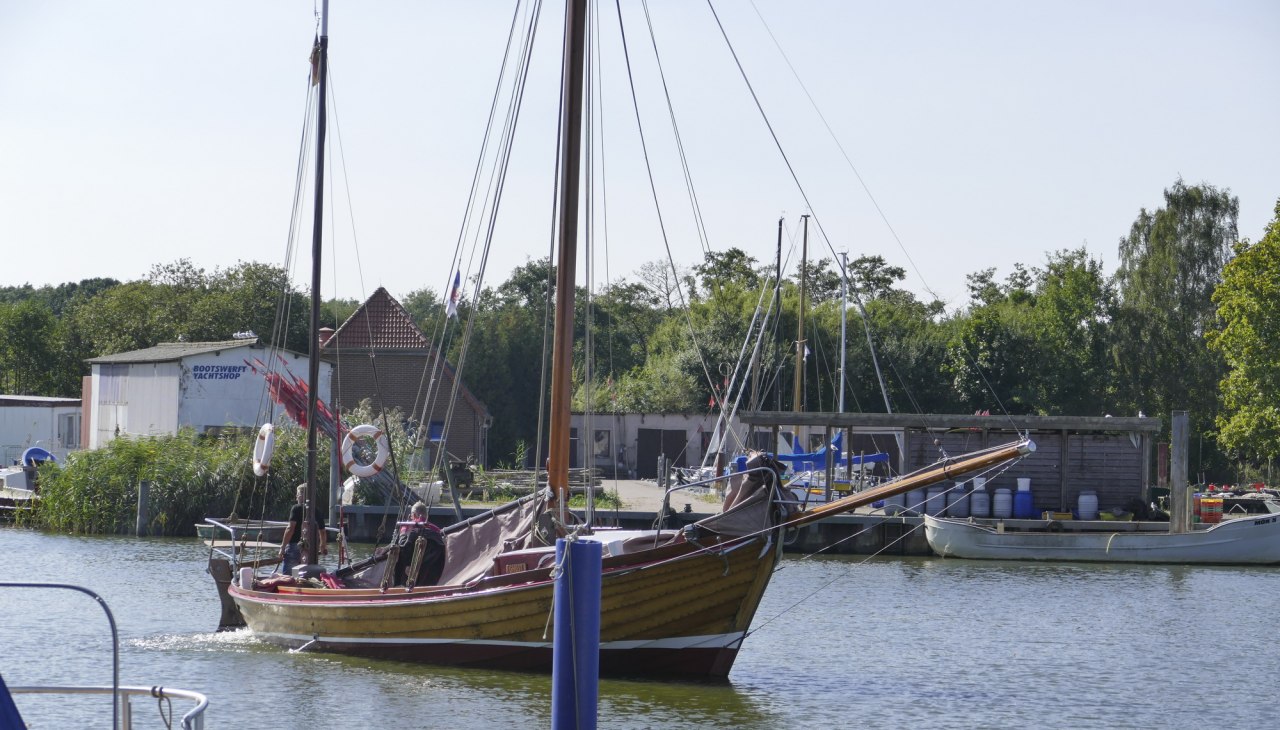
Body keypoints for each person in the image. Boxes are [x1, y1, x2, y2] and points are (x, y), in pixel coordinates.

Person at [279, 484, 328, 575]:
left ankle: (291, 585)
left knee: (290, 573)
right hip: (311, 549)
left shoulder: (296, 508)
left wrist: (282, 547)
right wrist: (322, 546)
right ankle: (300, 584)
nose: (296, 496)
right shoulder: (316, 511)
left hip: (294, 546)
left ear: (302, 495)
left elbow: (290, 528)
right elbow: (323, 531)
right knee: (303, 573)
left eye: (297, 494)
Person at [394, 501, 446, 586]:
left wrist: (403, 532)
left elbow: (402, 547)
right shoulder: (437, 531)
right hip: (432, 577)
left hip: (409, 577)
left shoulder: (409, 527)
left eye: (411, 515)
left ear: (413, 515)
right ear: (427, 516)